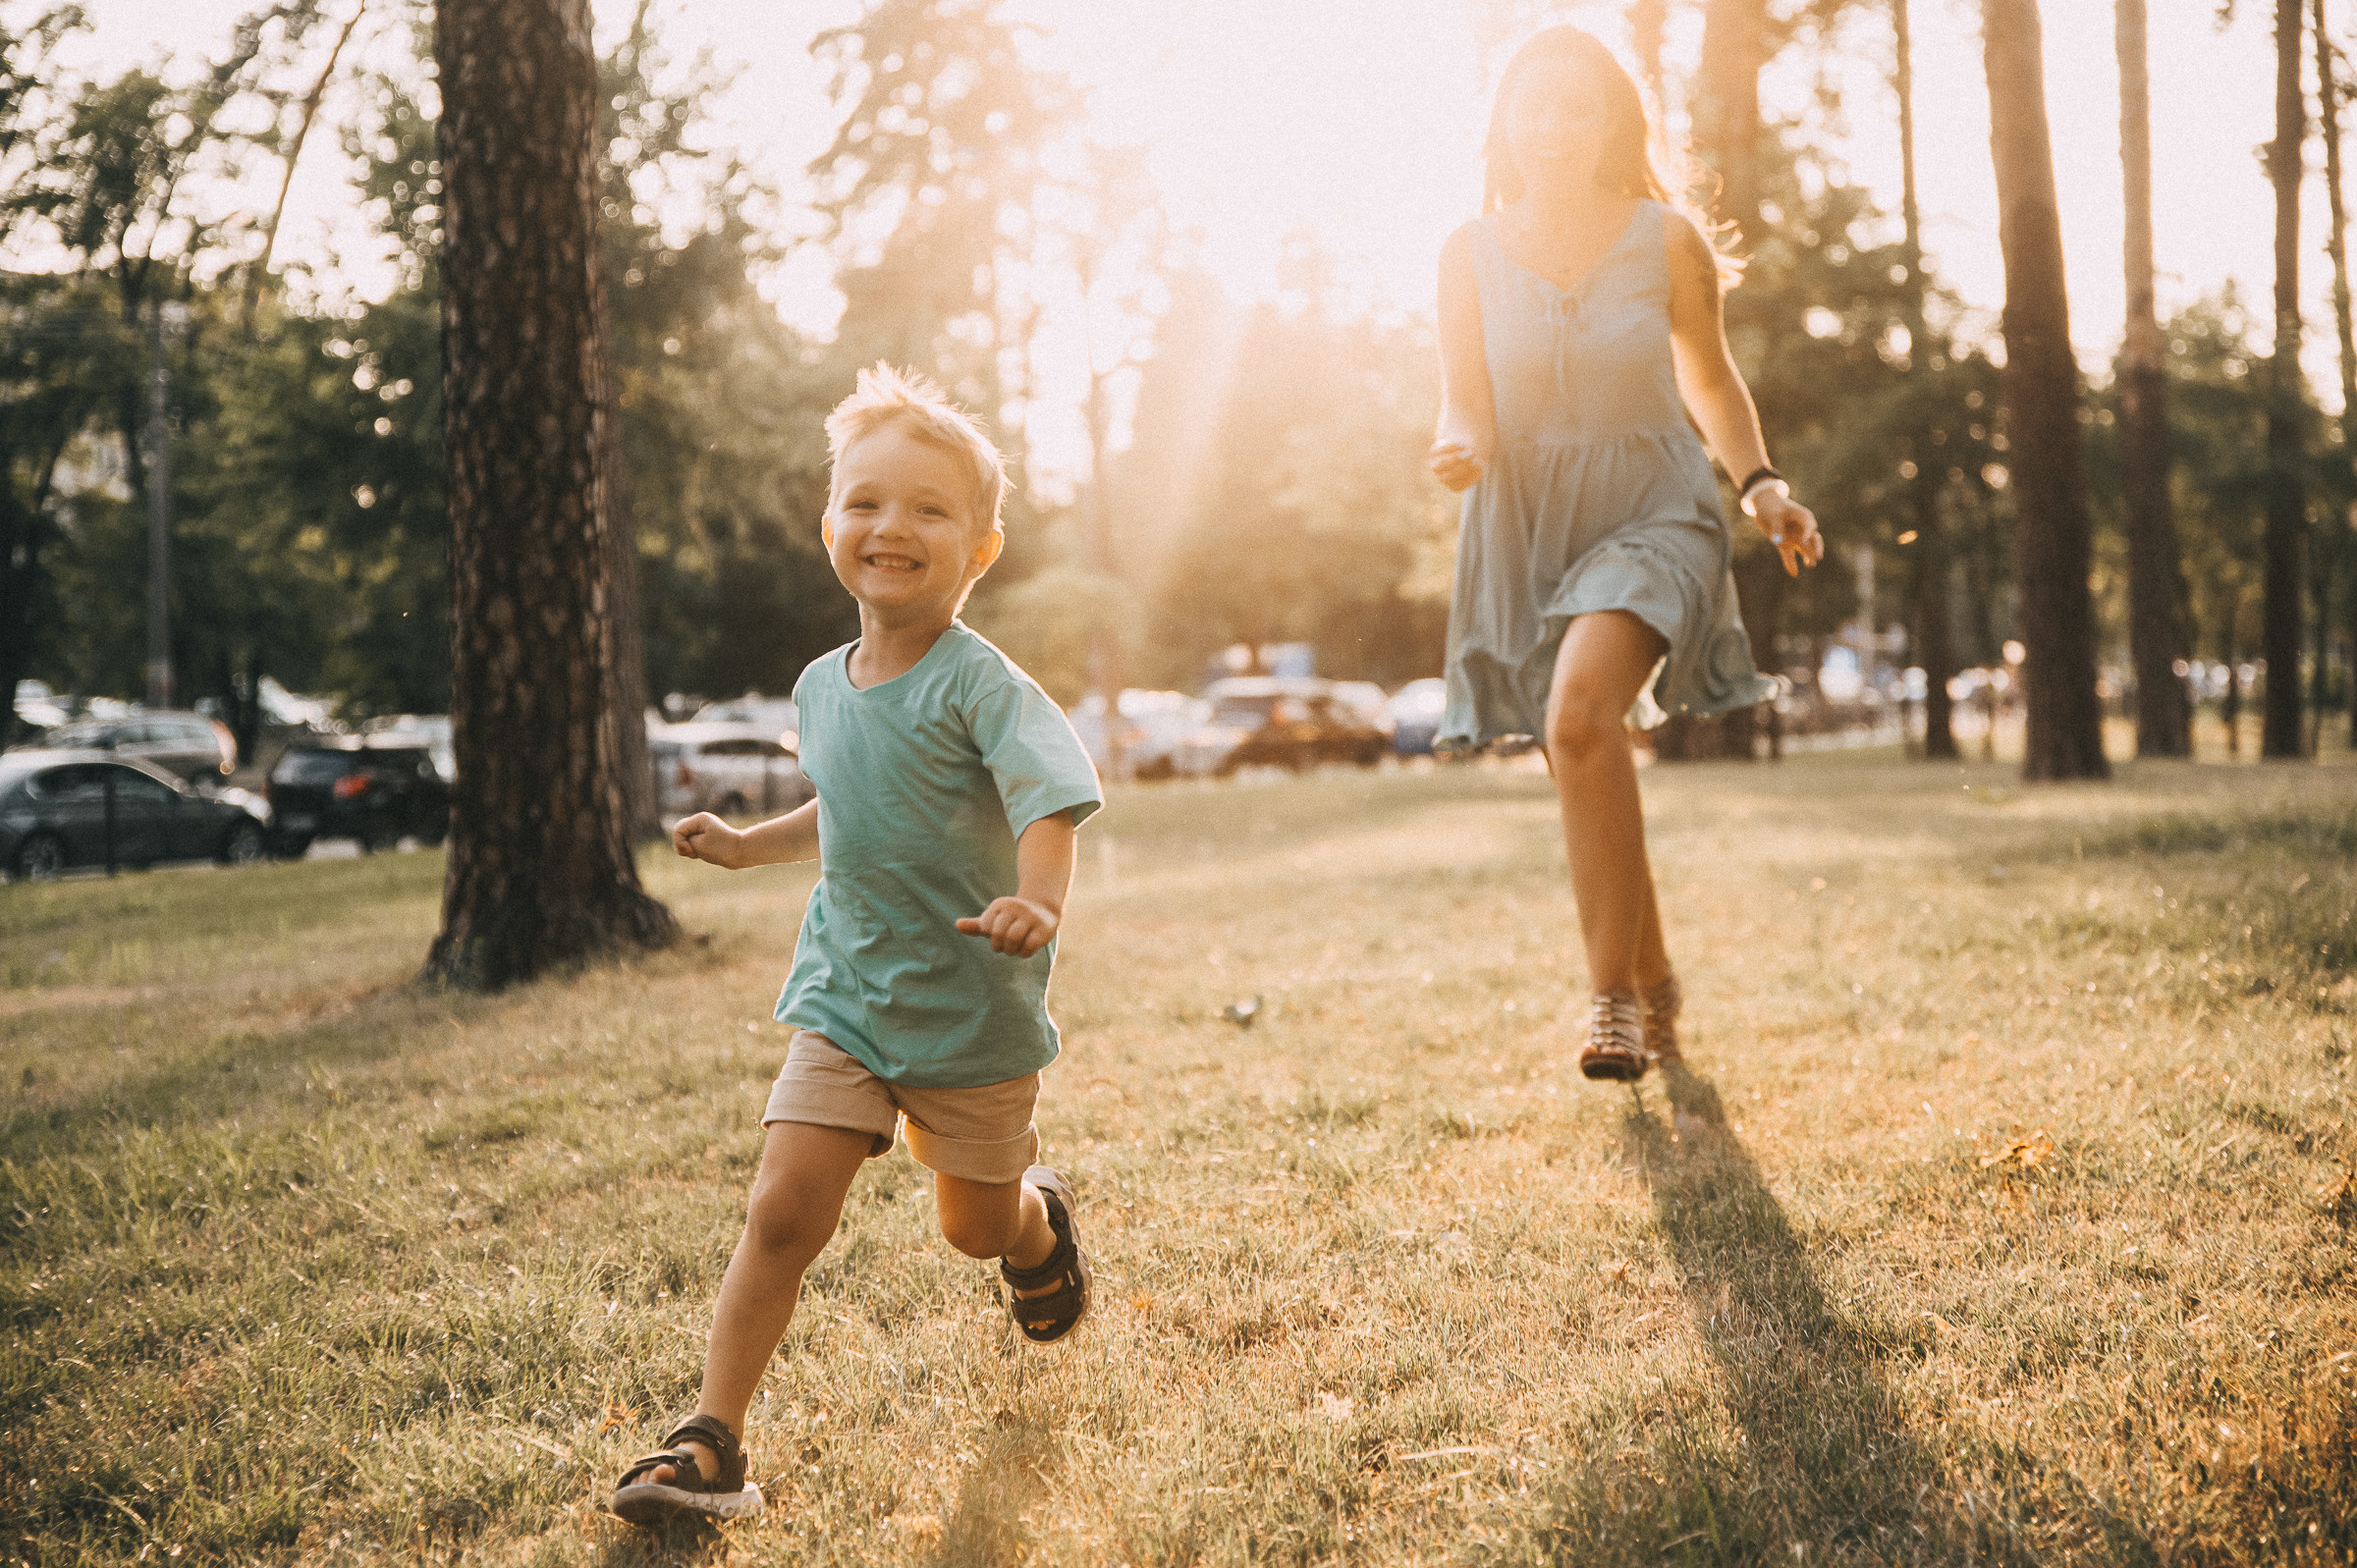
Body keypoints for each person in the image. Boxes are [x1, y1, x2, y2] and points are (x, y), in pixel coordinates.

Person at [607, 363, 1104, 1527]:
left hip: (972, 1006)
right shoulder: (819, 687)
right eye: (867, 501)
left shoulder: (984, 685)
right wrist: (749, 847)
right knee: (784, 1206)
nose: (893, 526)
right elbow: (849, 800)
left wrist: (1038, 902)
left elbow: (1049, 802)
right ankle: (711, 1442)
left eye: (930, 508)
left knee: (973, 1227)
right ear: (828, 523)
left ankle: (1037, 1227)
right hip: (847, 992)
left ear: (981, 548)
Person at [1428, 26, 1823, 1083]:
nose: (1553, 128)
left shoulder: (1665, 240)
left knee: (1576, 717)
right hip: (1525, 523)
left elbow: (1712, 379)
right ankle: (1653, 980)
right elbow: (1465, 397)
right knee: (1586, 750)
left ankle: (1612, 1002)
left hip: (1656, 511)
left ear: (1613, 123)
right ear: (1504, 121)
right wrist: (1458, 446)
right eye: (1534, 106)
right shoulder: (1467, 253)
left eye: (1577, 107)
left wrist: (1762, 483)